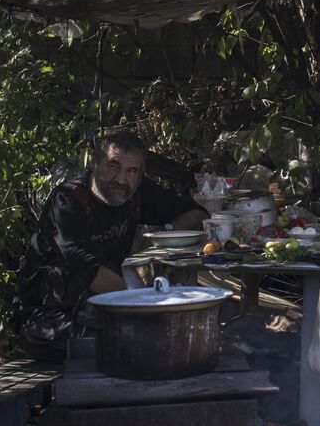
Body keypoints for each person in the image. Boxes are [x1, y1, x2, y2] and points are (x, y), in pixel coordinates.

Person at [12, 129, 207, 361]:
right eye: (113, 166)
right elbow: (90, 273)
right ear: (94, 165)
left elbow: (198, 214)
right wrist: (150, 306)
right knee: (141, 342)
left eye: (131, 171)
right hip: (48, 316)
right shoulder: (68, 201)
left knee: (168, 338)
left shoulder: (136, 193)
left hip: (104, 308)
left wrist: (162, 235)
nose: (121, 179)